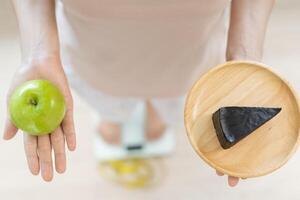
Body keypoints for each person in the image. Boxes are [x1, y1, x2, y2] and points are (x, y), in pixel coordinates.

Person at [3, 0, 274, 187]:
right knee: (109, 103)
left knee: (170, 108)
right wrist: (40, 48)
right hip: (95, 55)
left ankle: (152, 120)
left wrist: (245, 57)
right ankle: (117, 119)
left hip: (190, 59)